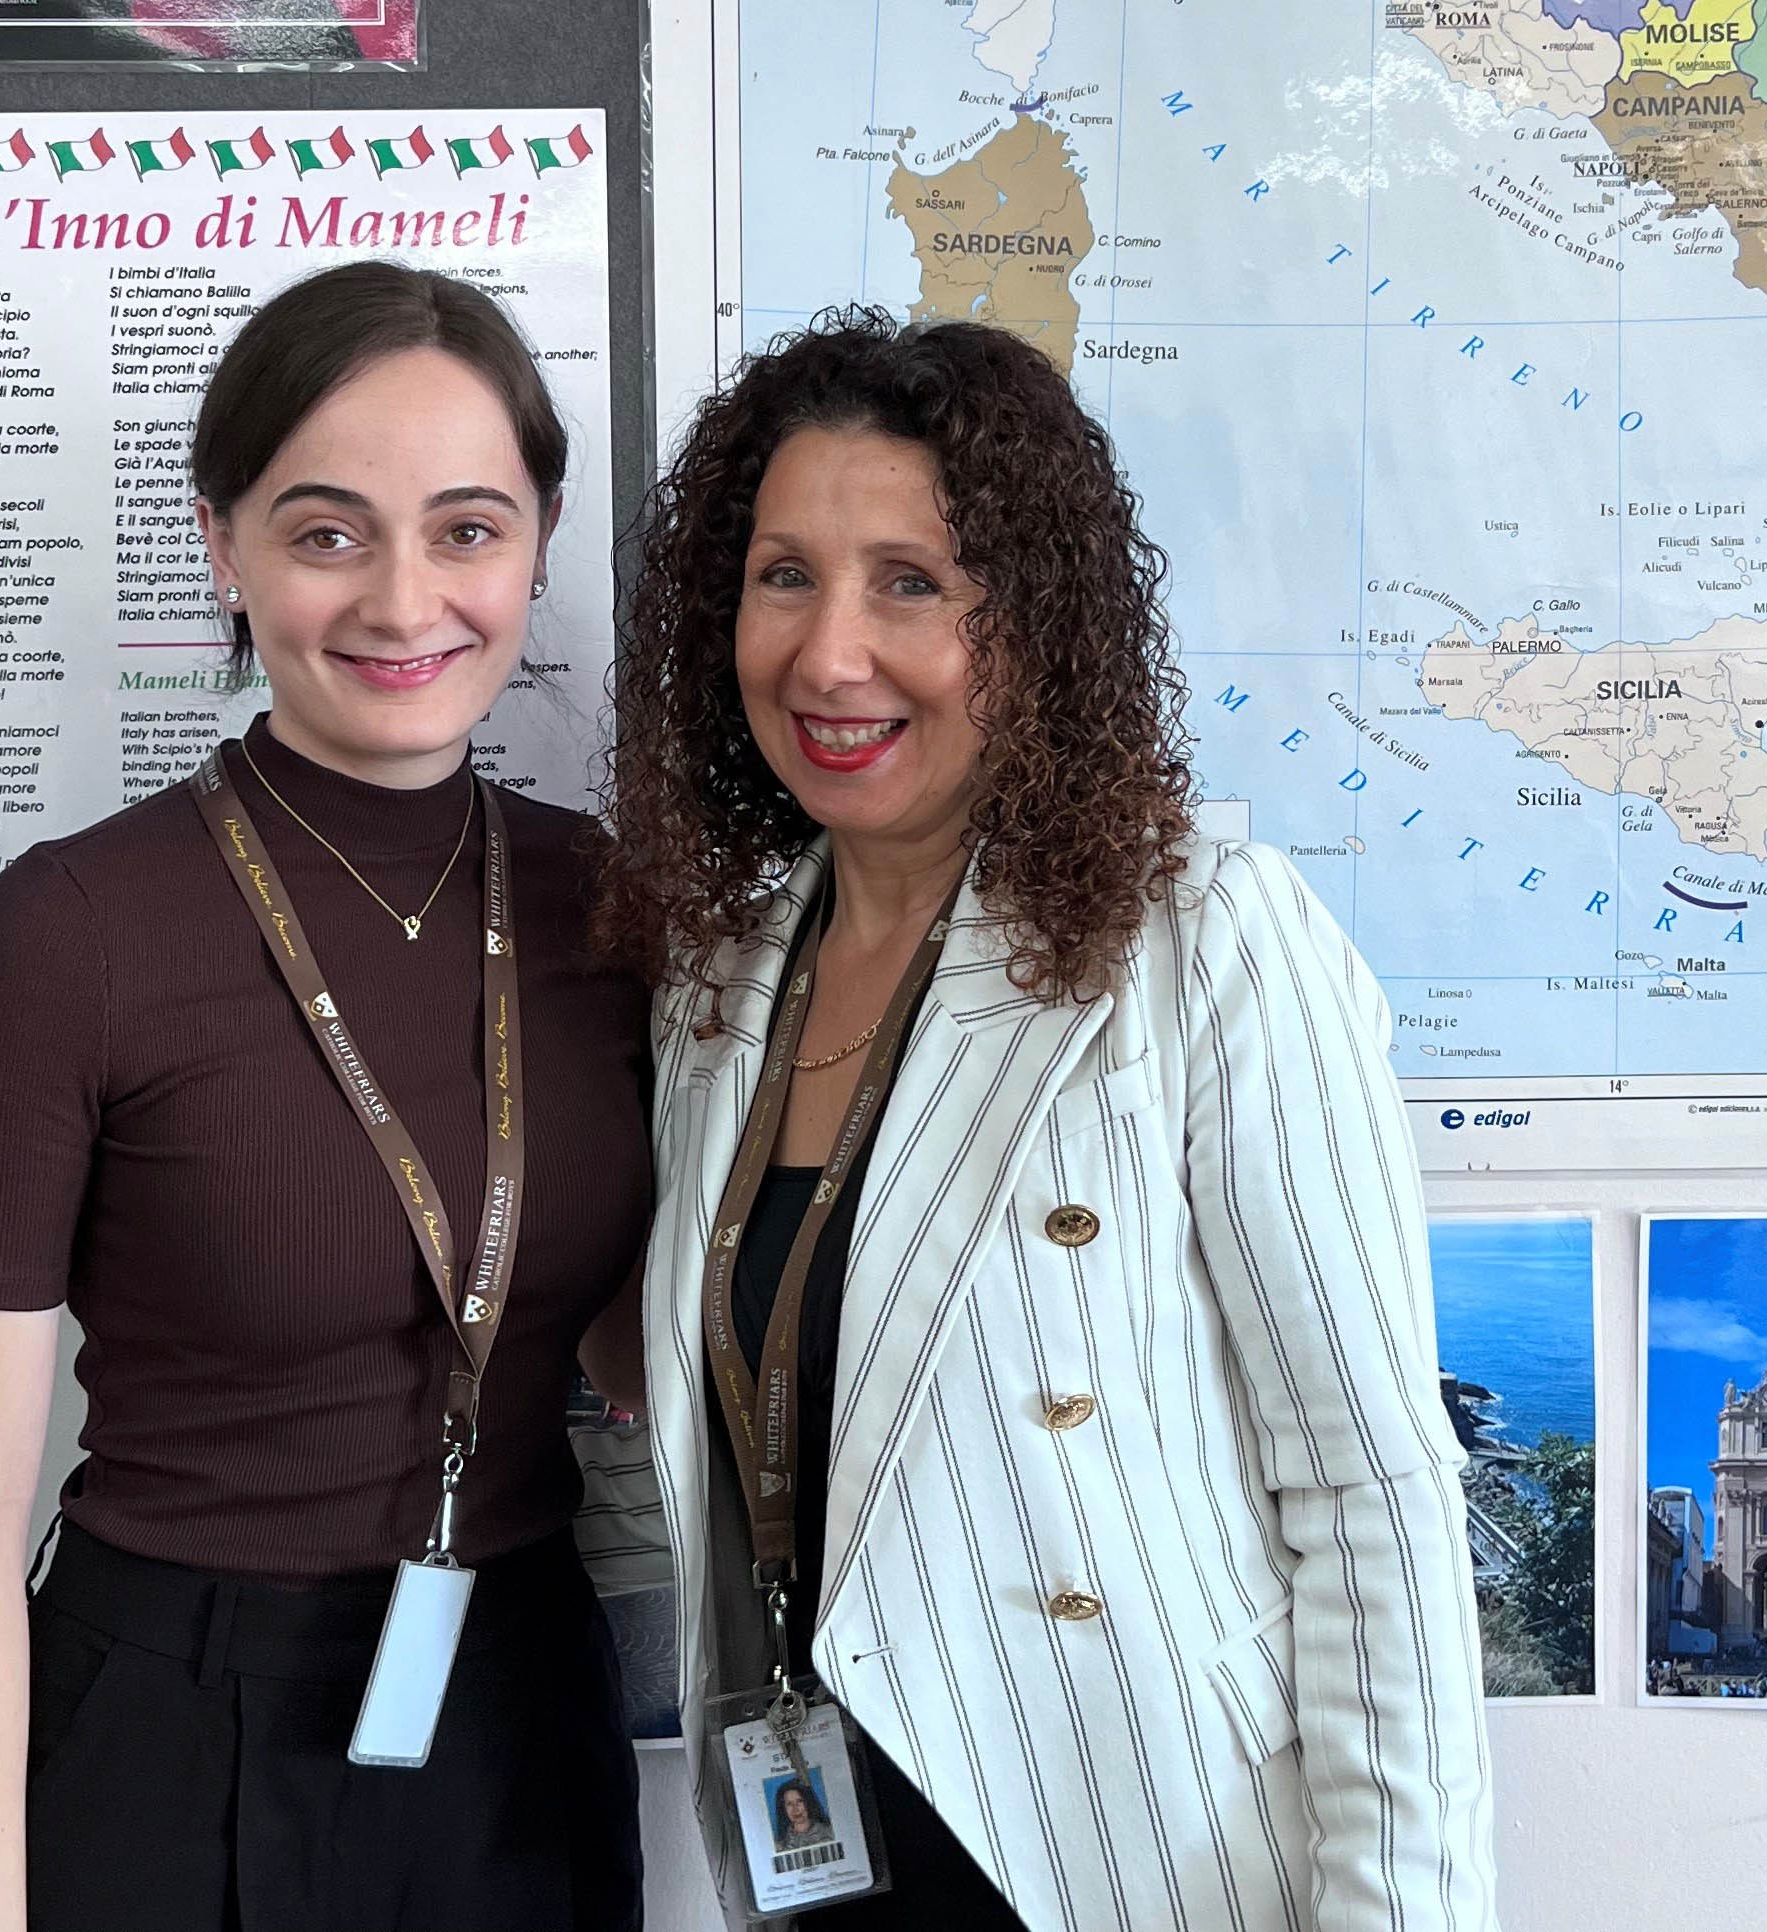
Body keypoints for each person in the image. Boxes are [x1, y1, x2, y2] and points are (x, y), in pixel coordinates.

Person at [604, 311, 1501, 1931]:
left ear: (1032, 627)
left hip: (1138, 1854)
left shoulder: (1206, 937)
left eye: (910, 583)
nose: (829, 656)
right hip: (827, 1845)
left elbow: (1370, 1495)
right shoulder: (719, 985)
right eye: (784, 576)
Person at [0, 260, 647, 1932]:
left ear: (538, 540)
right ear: (222, 546)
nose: (403, 601)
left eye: (466, 529)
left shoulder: (614, 909)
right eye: (326, 534)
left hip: (520, 1698)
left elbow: (629, 1342)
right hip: (179, 1717)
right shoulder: (63, 939)